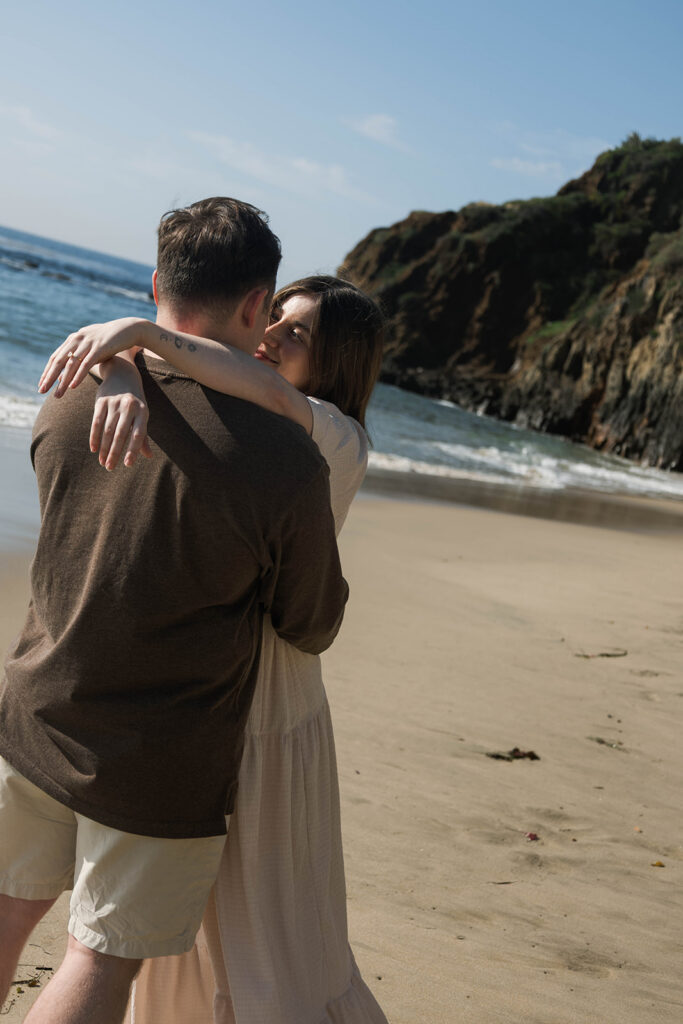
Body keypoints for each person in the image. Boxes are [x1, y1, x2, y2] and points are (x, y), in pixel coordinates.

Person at [0, 200, 349, 1024]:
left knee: (6, 914)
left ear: (156, 284)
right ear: (257, 306)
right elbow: (310, 621)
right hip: (160, 757)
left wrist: (123, 362)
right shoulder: (287, 463)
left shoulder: (67, 398)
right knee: (100, 959)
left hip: (33, 709)